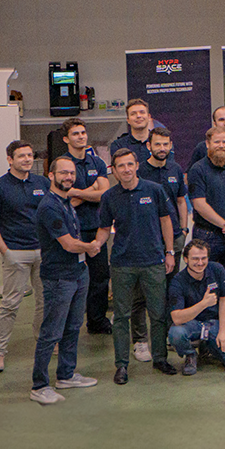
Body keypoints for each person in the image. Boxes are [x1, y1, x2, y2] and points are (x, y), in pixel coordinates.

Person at [95, 148, 178, 383]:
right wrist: (96, 245)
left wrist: (169, 252)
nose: (126, 169)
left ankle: (160, 358)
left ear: (137, 165)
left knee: (158, 313)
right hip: (122, 263)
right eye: (121, 166)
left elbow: (165, 221)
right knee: (121, 315)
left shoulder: (154, 190)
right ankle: (121, 365)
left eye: (130, 164)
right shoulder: (109, 196)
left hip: (153, 261)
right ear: (114, 170)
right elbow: (103, 228)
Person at [29, 155, 102, 404]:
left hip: (78, 273)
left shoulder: (66, 202)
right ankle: (39, 385)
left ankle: (66, 375)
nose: (68, 177)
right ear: (51, 175)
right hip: (59, 277)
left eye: (71, 173)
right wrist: (91, 246)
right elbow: (69, 244)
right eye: (63, 173)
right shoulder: (49, 206)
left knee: (73, 327)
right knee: (51, 332)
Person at [0, 140, 50, 373]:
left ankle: (43, 341)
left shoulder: (42, 183)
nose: (27, 159)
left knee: (44, 301)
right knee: (10, 304)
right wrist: (6, 252)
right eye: (21, 156)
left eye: (30, 155)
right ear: (10, 159)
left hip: (43, 252)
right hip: (16, 254)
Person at [58, 118, 113, 335]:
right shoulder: (61, 164)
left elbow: (105, 194)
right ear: (66, 139)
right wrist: (92, 191)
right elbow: (64, 201)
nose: (81, 137)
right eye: (75, 134)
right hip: (71, 231)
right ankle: (68, 325)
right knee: (72, 279)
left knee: (100, 278)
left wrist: (79, 192)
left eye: (83, 132)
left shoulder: (96, 162)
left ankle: (97, 321)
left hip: (96, 229)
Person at [166, 240, 225, 375]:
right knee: (176, 333)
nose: (200, 263)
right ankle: (191, 355)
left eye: (203, 258)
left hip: (215, 323)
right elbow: (176, 318)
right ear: (186, 259)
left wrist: (223, 331)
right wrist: (203, 304)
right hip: (192, 324)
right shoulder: (177, 282)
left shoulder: (217, 270)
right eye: (195, 259)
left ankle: (209, 346)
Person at [187, 128, 225, 284]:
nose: (221, 145)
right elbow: (199, 204)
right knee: (208, 280)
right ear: (207, 144)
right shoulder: (198, 169)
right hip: (207, 235)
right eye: (217, 142)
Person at [136, 128, 188, 247]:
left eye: (165, 144)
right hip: (148, 237)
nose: (162, 149)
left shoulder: (176, 169)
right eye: (157, 144)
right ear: (149, 146)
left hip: (175, 234)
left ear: (170, 145)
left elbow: (181, 201)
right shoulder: (140, 172)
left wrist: (184, 230)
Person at [110, 98, 155, 163]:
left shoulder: (160, 142)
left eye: (142, 112)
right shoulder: (118, 145)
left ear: (148, 117)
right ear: (128, 120)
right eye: (133, 114)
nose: (138, 116)